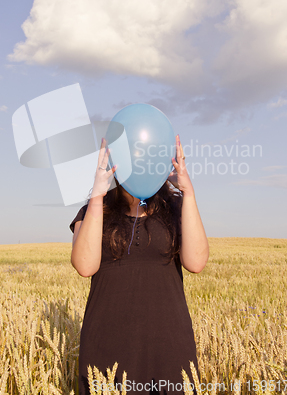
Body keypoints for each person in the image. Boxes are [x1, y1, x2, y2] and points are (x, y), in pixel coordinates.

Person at [70, 134, 209, 395]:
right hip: (106, 344)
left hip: (168, 346)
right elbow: (84, 266)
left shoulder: (176, 206)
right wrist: (97, 196)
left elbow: (197, 262)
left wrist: (188, 192)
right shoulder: (94, 209)